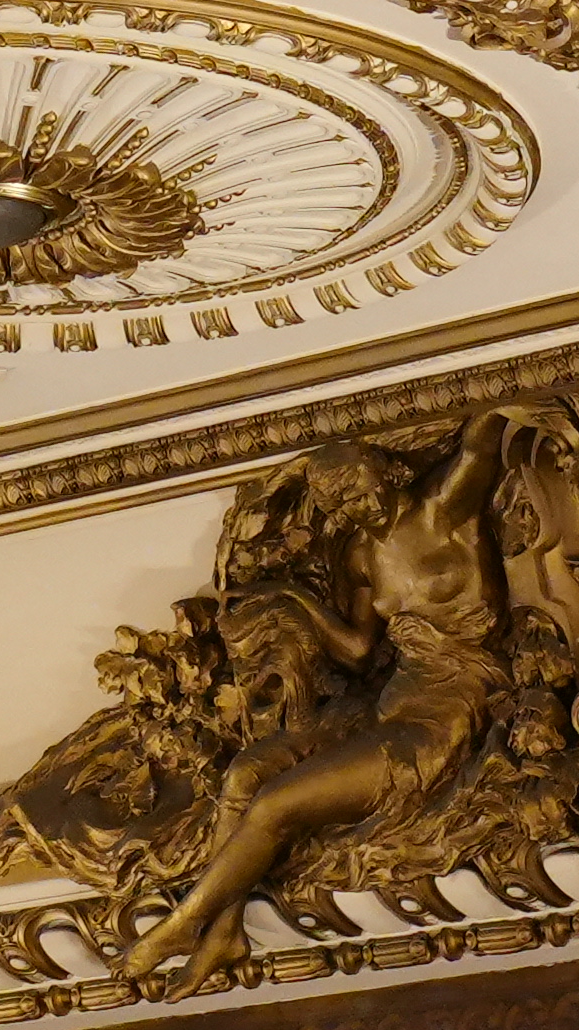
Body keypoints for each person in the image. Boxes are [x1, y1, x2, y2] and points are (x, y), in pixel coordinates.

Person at [116, 410, 510, 993]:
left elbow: (485, 435)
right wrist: (290, 597)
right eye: (342, 504)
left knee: (277, 806)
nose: (356, 508)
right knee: (246, 772)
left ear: (384, 471)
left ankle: (183, 922)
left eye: (356, 489)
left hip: (448, 706)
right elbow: (355, 651)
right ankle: (224, 929)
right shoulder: (360, 557)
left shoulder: (442, 510)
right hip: (389, 701)